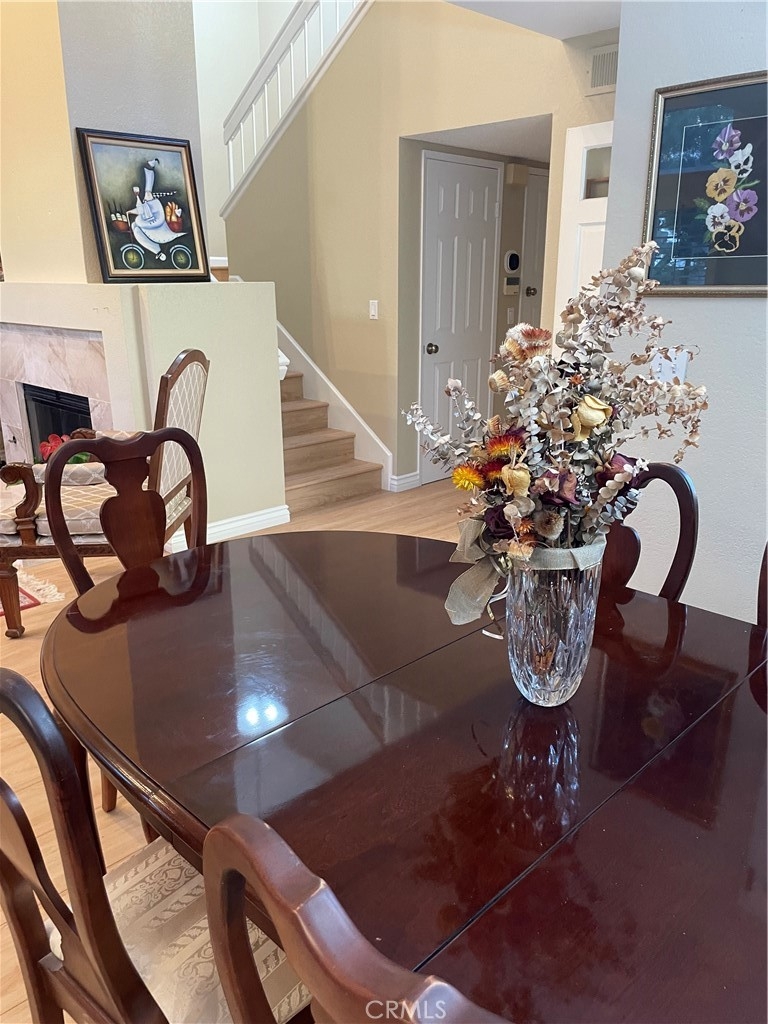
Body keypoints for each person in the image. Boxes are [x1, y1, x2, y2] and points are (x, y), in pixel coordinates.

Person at [128, 159, 184, 260]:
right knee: (135, 227)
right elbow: (141, 209)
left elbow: (144, 210)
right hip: (151, 222)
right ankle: (149, 168)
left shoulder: (152, 205)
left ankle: (149, 168)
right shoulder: (148, 203)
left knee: (148, 193)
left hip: (156, 225)